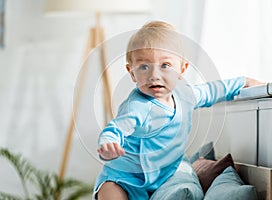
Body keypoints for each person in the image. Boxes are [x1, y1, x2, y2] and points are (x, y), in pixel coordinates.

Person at [94, 21, 262, 200]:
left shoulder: (185, 96)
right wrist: (109, 143)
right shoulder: (138, 106)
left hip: (162, 178)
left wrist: (244, 82)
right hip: (125, 179)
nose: (154, 75)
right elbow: (117, 128)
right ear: (132, 73)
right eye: (144, 67)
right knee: (110, 191)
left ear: (182, 69)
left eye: (165, 65)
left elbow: (212, 91)